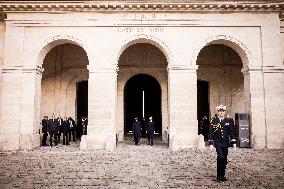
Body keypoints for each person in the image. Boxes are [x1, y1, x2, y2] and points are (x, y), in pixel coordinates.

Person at [208, 105, 236, 182]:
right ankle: (218, 176)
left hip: (225, 143)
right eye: (220, 111)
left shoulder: (228, 120)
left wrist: (233, 142)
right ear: (218, 112)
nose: (221, 112)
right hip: (218, 142)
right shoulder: (214, 120)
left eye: (223, 111)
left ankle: (222, 175)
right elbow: (210, 132)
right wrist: (211, 143)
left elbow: (231, 132)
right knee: (221, 157)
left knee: (225, 159)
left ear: (224, 112)